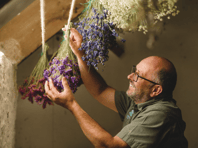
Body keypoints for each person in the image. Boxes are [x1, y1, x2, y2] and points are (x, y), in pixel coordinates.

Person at [44, 27, 188, 148]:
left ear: (156, 90)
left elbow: (110, 146)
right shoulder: (140, 100)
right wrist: (80, 54)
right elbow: (100, 90)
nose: (129, 76)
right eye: (134, 70)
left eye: (138, 75)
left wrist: (71, 105)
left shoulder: (161, 114)